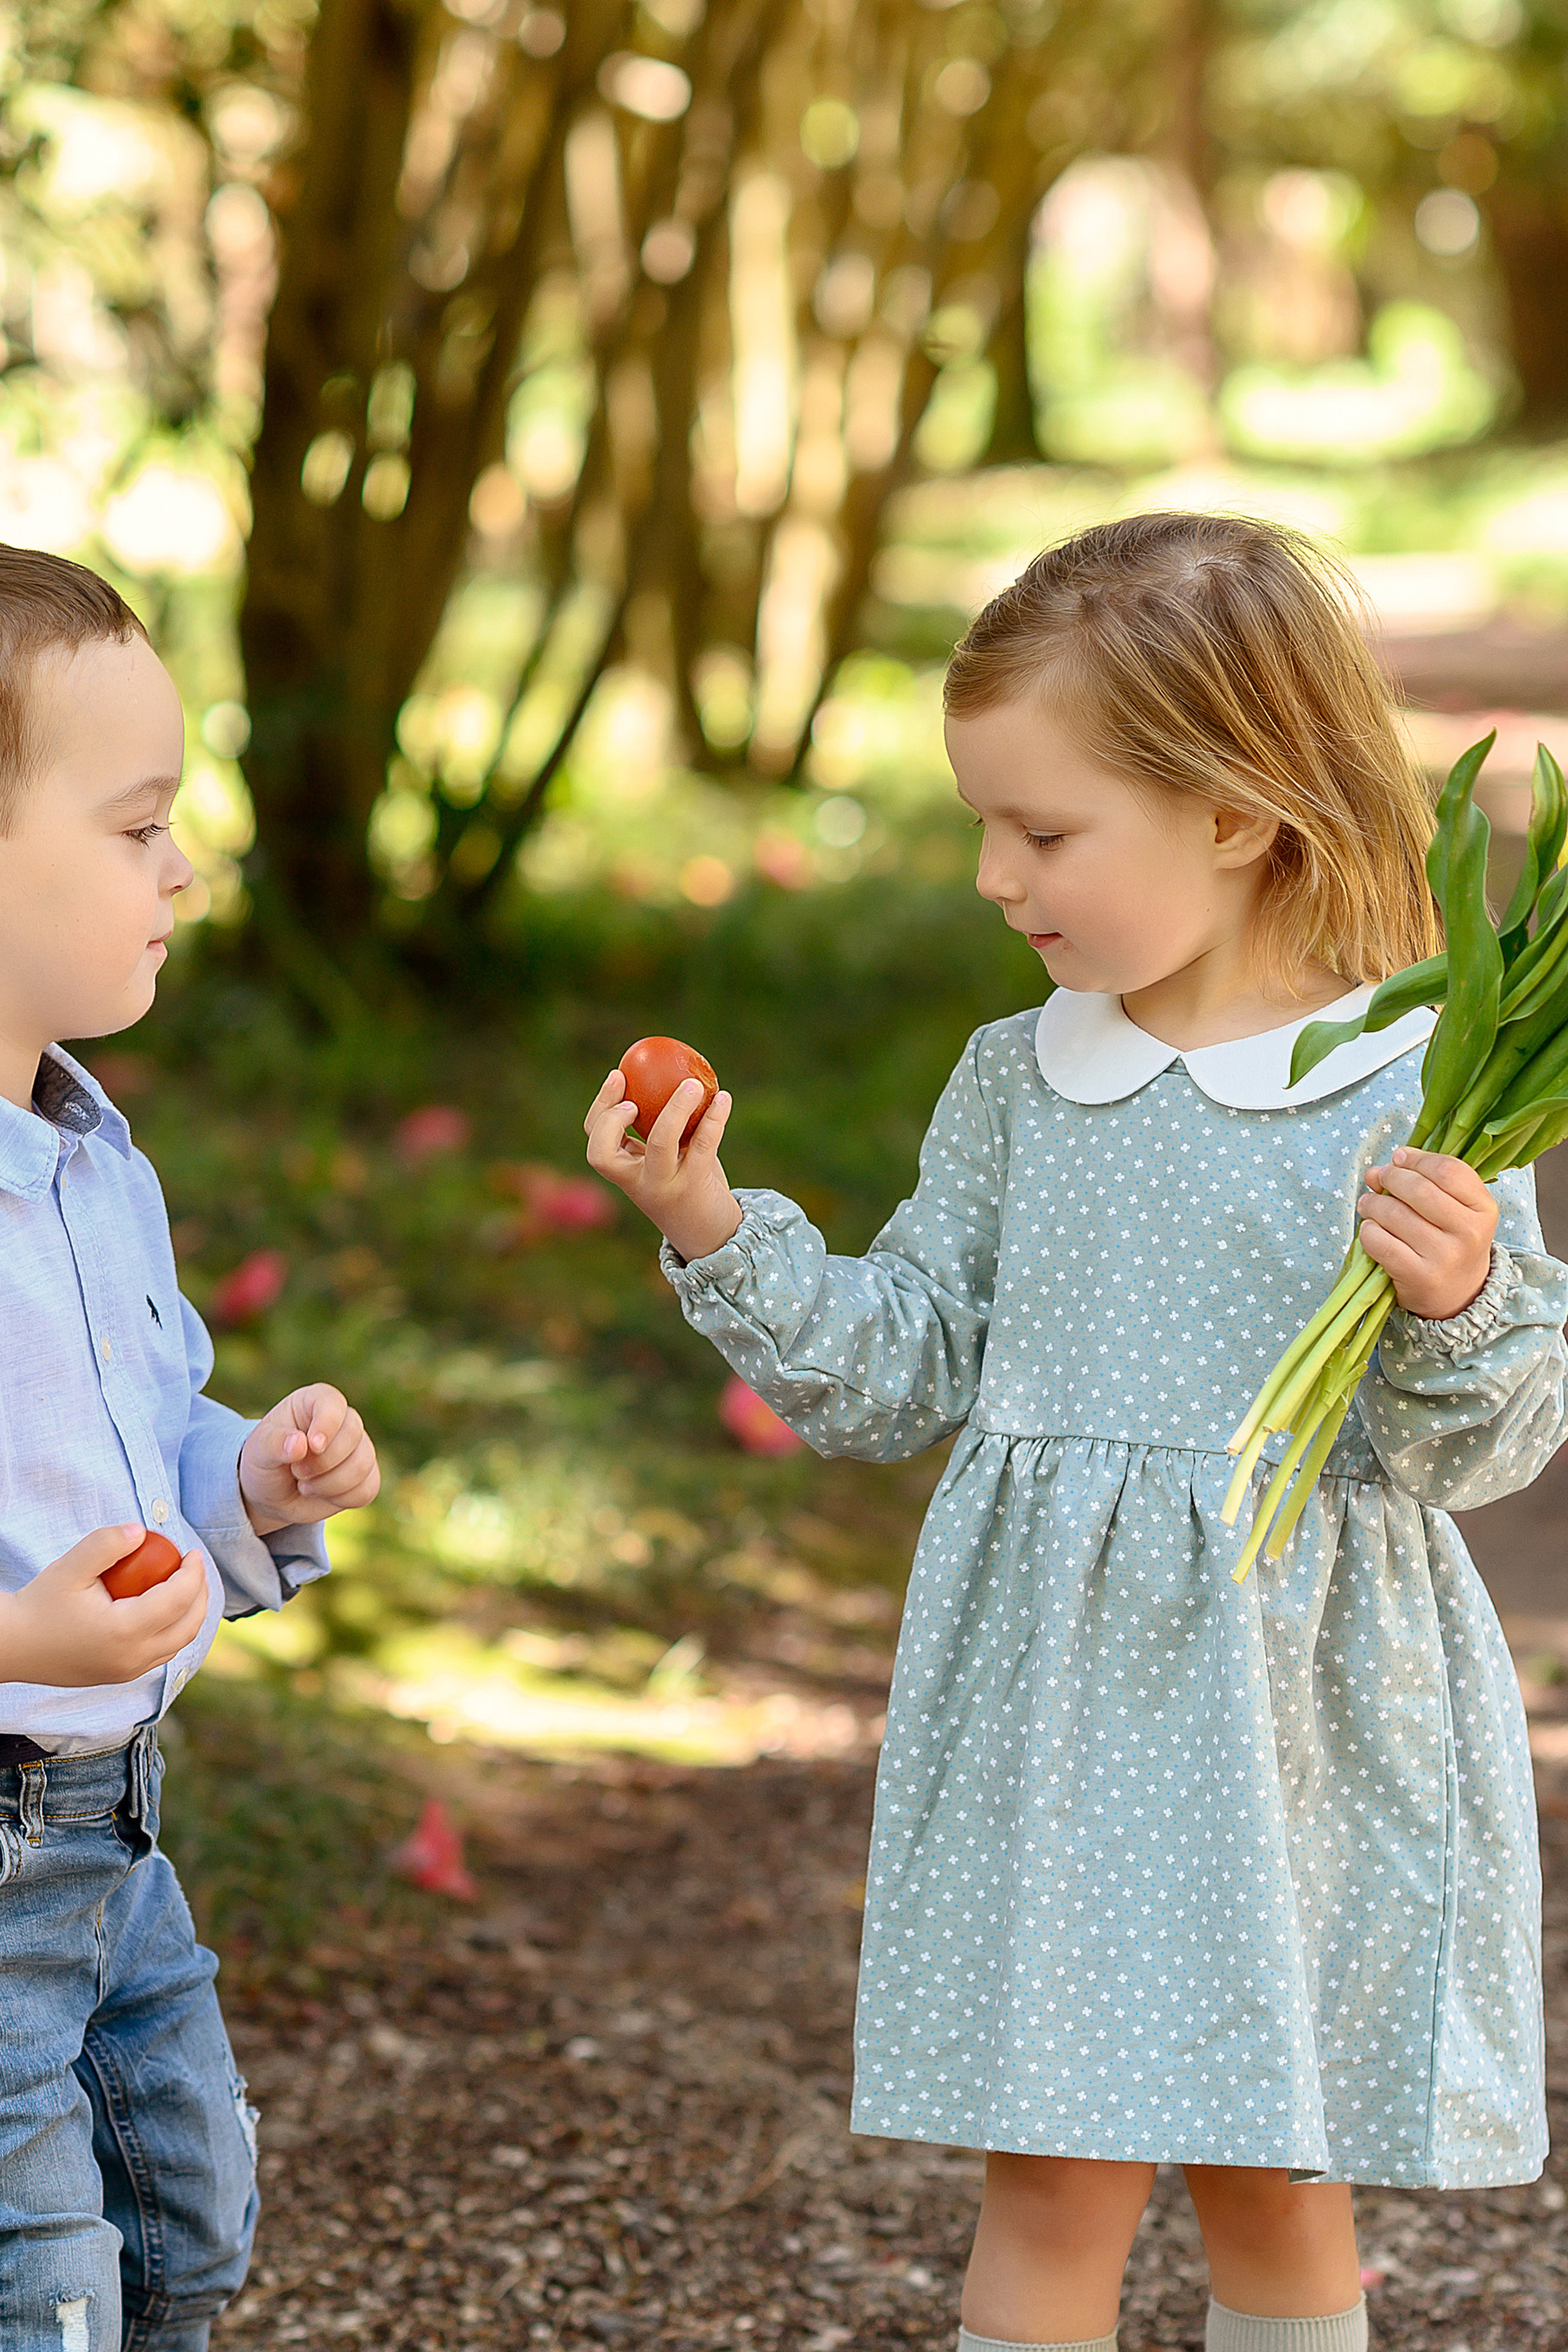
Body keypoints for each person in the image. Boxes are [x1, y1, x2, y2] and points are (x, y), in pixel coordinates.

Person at [584, 511, 1568, 2352]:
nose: (991, 875)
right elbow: (904, 1365)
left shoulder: (1417, 1084)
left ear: (1234, 809)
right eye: (988, 824)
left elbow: (1478, 1451)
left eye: (1042, 831)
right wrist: (718, 1228)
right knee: (1050, 2173)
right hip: (1061, 1719)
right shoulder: (1021, 1081)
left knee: (1282, 2176)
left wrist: (1456, 1304)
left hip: (1299, 1726)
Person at [0, 546, 380, 2351]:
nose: (183, 870)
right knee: (37, 2280)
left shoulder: (93, 1162)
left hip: (117, 1836)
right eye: (138, 825)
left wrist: (247, 1482)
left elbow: (140, 1438)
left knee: (186, 2220)